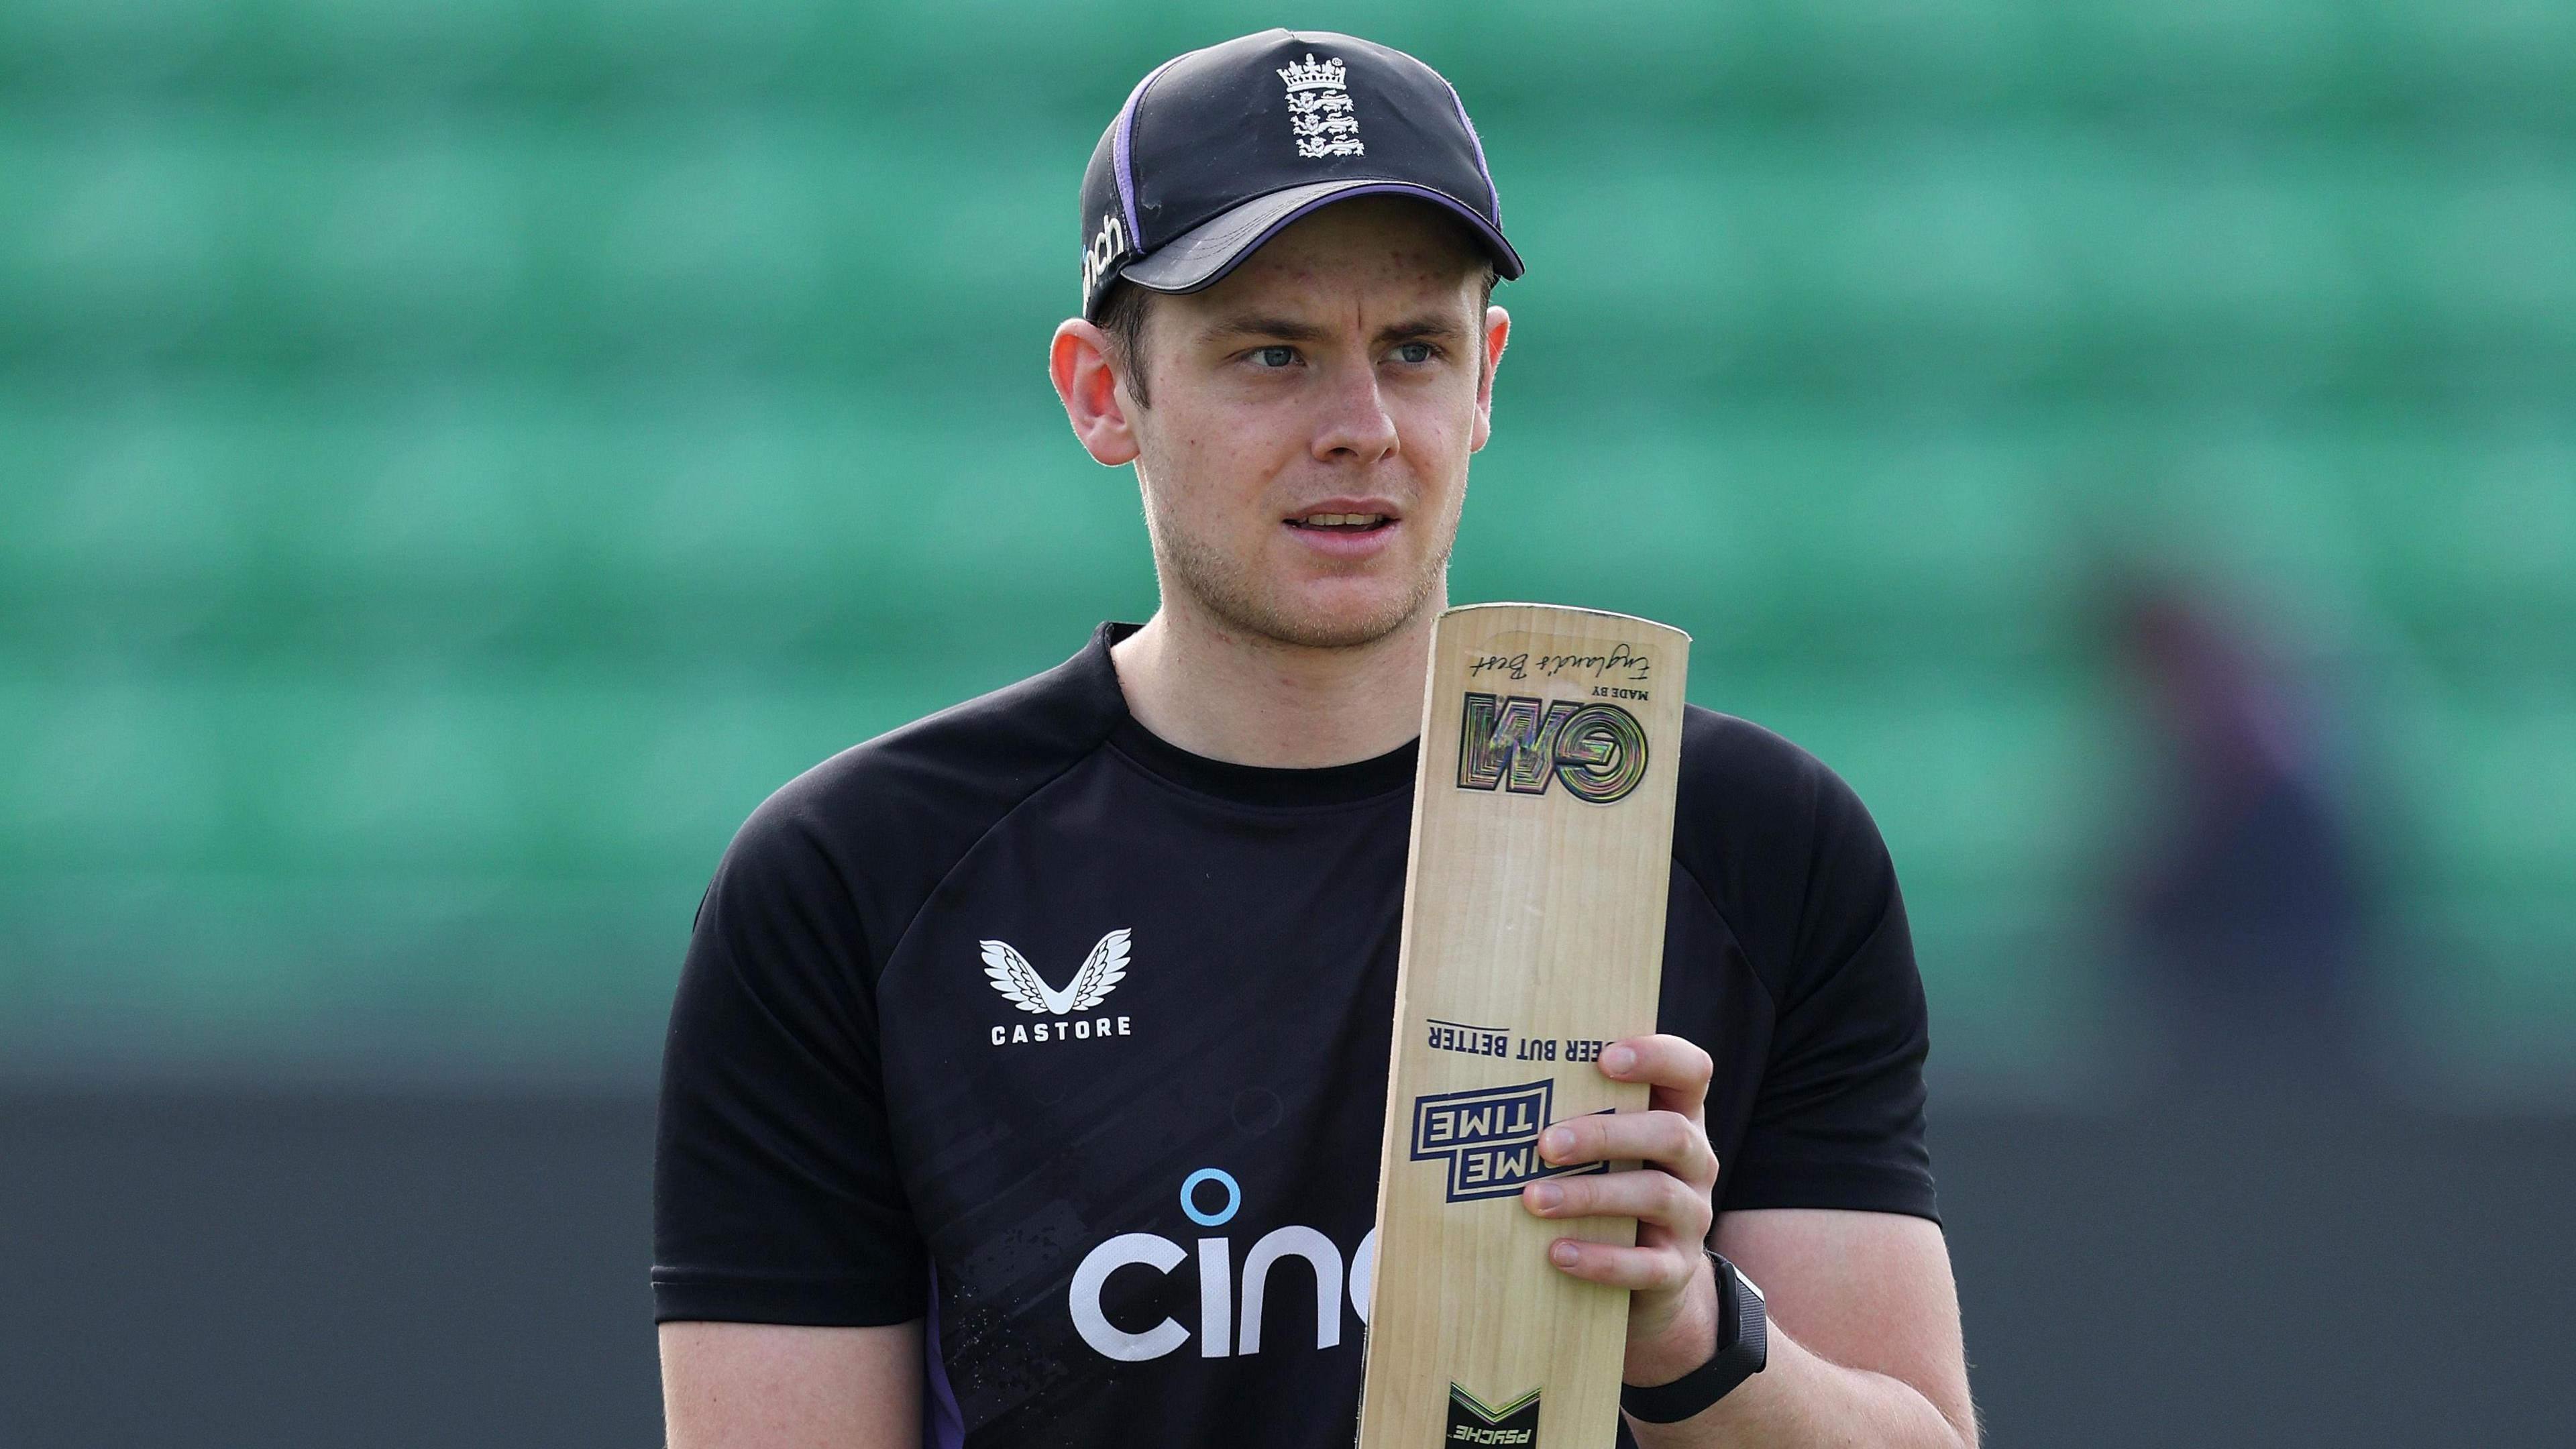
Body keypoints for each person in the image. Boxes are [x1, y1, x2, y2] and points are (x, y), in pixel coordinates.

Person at [654, 29, 1974, 1449]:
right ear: (1104, 394)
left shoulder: (1744, 842)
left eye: (1414, 349)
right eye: (1270, 353)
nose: (1361, 427)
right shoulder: (855, 881)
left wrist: (1692, 1337)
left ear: (1486, 380)